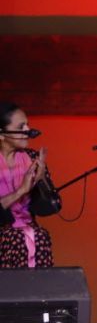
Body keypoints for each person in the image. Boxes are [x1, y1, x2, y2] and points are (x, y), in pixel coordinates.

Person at [0, 102, 59, 268]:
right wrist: (21, 191)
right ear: (2, 134)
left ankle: (39, 293)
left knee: (40, 235)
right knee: (15, 238)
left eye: (27, 124)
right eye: (21, 126)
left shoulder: (32, 159)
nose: (27, 130)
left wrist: (41, 183)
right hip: (5, 233)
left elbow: (50, 209)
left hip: (29, 231)